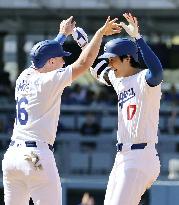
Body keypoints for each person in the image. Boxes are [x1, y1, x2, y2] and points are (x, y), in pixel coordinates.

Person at [2, 16, 121, 205]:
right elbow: (84, 63)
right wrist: (99, 34)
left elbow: (42, 57)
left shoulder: (24, 75)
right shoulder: (48, 81)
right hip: (35, 156)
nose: (63, 62)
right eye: (60, 58)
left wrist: (62, 35)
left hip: (11, 157)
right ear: (50, 62)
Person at [74, 13, 163, 205]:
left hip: (141, 155)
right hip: (123, 156)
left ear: (127, 59)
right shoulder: (118, 78)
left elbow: (158, 72)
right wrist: (85, 45)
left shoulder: (145, 80)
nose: (109, 63)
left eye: (113, 59)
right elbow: (97, 69)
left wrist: (138, 38)